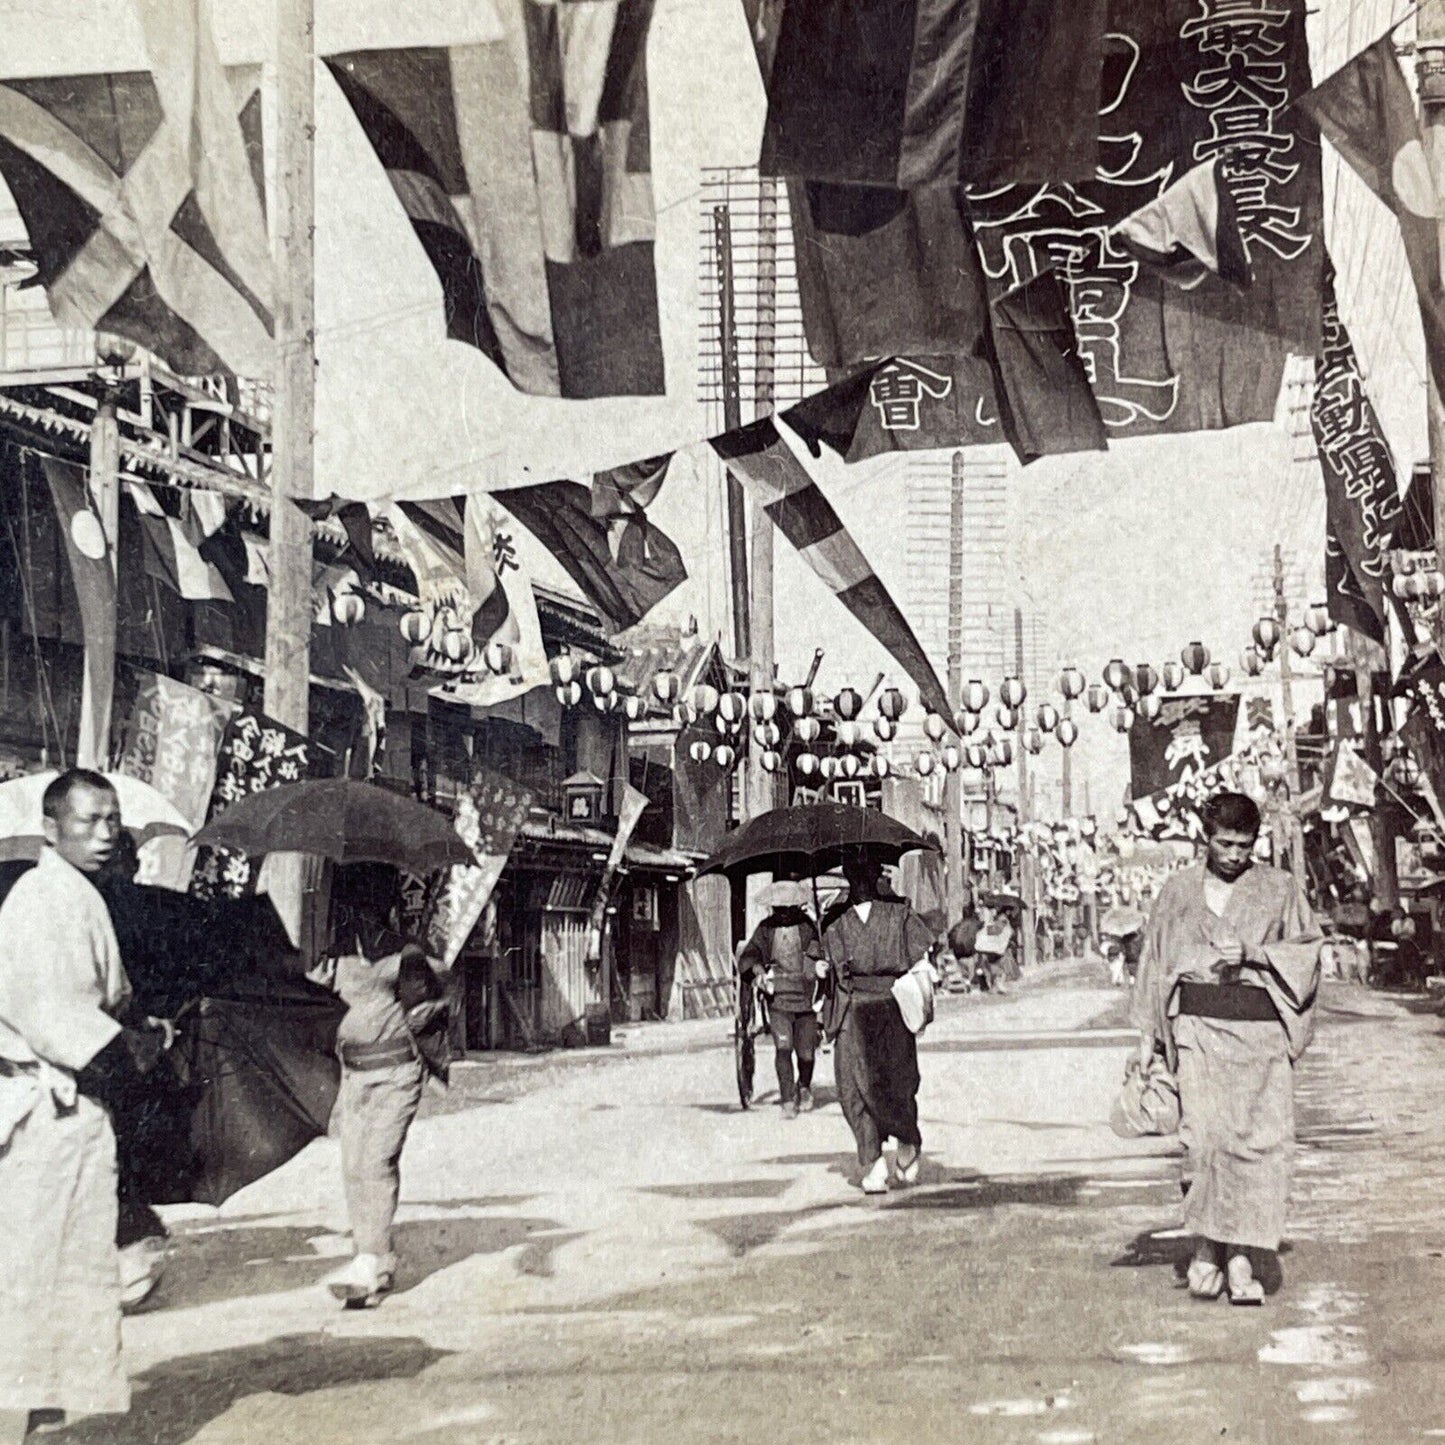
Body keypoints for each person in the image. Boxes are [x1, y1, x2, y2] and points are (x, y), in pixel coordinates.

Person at [0, 770, 168, 1440]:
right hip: (47, 1107)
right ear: (50, 827)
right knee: (31, 1273)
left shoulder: (78, 896)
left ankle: (42, 1414)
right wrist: (142, 1045)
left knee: (71, 1269)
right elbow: (60, 1017)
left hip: (73, 1110)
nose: (104, 833)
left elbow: (106, 999)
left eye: (112, 820)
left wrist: (142, 1028)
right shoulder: (40, 901)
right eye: (88, 820)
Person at [1132, 791, 1322, 1306]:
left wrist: (1256, 953)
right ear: (1205, 838)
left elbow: (1308, 952)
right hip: (1197, 1030)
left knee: (1256, 1147)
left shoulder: (1279, 889)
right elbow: (1154, 965)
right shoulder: (1177, 892)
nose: (1235, 854)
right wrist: (1147, 1039)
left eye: (1244, 845)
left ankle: (1240, 1254)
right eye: (1224, 843)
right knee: (1205, 1144)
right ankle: (1204, 1249)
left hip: (1259, 1038)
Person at [315, 902, 450, 1308]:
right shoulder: (333, 957)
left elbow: (442, 984)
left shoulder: (405, 955)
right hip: (354, 1078)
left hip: (396, 1076)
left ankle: (366, 1262)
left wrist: (431, 1007)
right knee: (353, 1168)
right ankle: (378, 1258)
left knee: (375, 1162)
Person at [816, 854, 935, 1194]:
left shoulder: (899, 914)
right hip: (851, 1008)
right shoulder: (834, 920)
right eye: (854, 875)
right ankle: (873, 1160)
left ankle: (908, 1140)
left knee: (896, 1083)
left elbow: (921, 957)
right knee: (852, 1088)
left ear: (878, 875)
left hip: (890, 1006)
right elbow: (820, 961)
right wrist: (821, 968)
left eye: (866, 873)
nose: (861, 882)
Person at [738, 884, 822, 1118]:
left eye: (788, 909)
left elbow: (818, 950)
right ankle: (787, 1099)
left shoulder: (808, 926)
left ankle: (804, 1086)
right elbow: (752, 953)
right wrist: (757, 970)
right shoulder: (765, 929)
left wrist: (814, 961)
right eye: (779, 909)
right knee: (783, 1048)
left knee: (806, 1052)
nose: (783, 913)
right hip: (777, 999)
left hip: (806, 997)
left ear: (796, 906)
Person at [974, 903, 1015, 992]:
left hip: (992, 946)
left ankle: (994, 986)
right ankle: (996, 986)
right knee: (998, 966)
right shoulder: (1002, 920)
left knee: (993, 966)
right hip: (996, 946)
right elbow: (996, 931)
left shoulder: (996, 919)